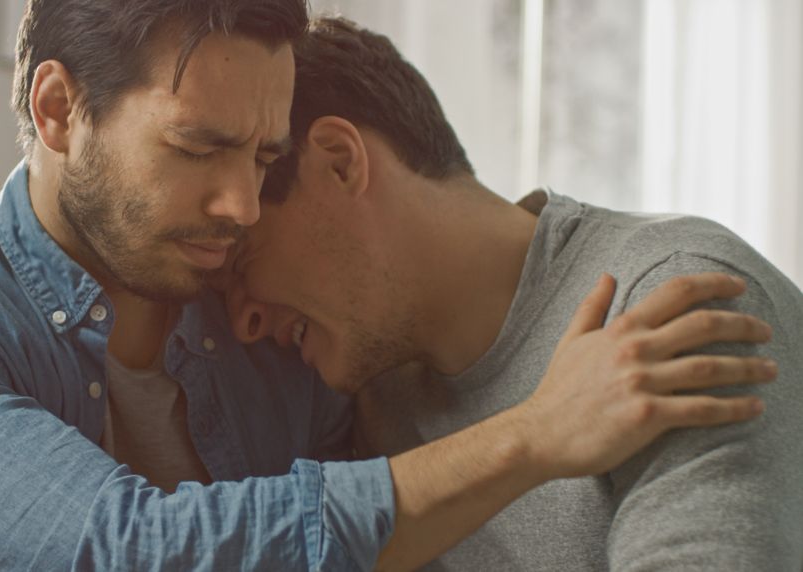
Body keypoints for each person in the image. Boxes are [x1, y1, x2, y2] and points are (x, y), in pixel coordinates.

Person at [0, 2, 777, 570]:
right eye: (199, 148)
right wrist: (533, 435)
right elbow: (126, 551)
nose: (240, 204)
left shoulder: (281, 336)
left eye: (263, 157)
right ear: (59, 109)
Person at [223, 16, 803, 572]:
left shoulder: (667, 303)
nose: (242, 321)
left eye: (243, 256)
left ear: (339, 162)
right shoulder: (372, 391)